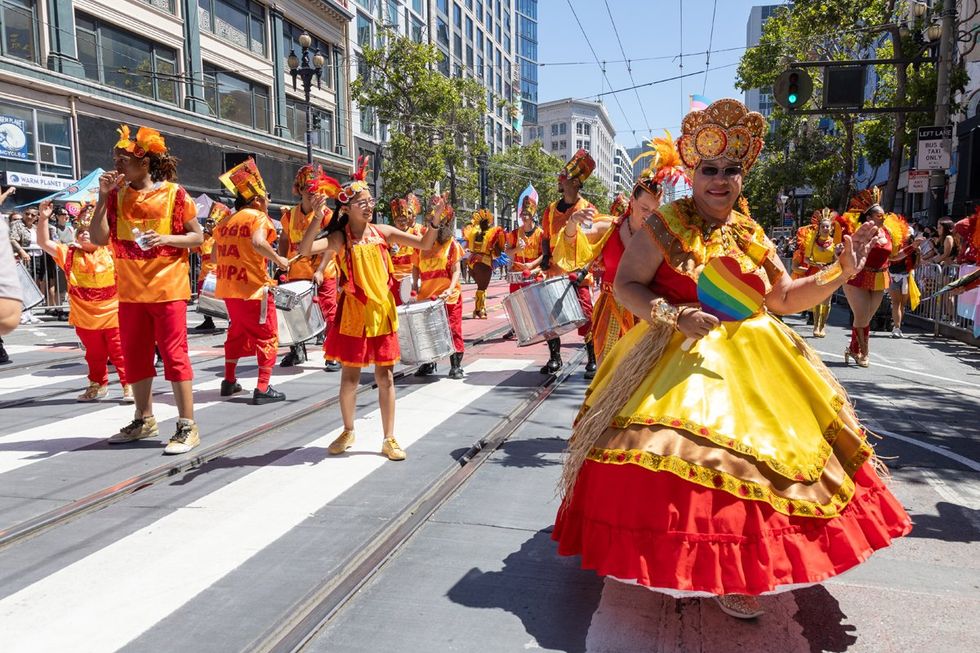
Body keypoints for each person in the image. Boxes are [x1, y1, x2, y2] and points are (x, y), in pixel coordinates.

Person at [553, 98, 910, 620]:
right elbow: (626, 283)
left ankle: (740, 572)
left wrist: (839, 270)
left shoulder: (751, 232)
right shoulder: (666, 223)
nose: (719, 180)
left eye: (730, 170)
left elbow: (784, 297)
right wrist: (672, 316)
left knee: (764, 465)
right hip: (676, 357)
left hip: (757, 364)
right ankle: (684, 562)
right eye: (709, 170)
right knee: (681, 463)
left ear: (743, 176)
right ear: (693, 174)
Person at [298, 158, 447, 461]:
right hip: (354, 316)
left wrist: (434, 219)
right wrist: (316, 217)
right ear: (347, 208)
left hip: (382, 314)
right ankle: (348, 429)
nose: (368, 206)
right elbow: (304, 250)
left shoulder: (382, 232)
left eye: (370, 201)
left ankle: (389, 438)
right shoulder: (340, 238)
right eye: (361, 202)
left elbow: (425, 244)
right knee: (350, 379)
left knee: (386, 378)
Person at [89, 124, 204, 454]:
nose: (118, 164)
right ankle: (144, 419)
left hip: (168, 289)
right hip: (130, 293)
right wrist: (101, 199)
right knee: (136, 356)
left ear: (144, 161)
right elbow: (98, 239)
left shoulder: (174, 194)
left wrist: (167, 238)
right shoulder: (117, 196)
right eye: (117, 158)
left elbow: (197, 237)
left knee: (174, 355)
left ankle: (187, 426)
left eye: (123, 158)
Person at [556, 133, 685, 368]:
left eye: (654, 210)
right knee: (609, 376)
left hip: (646, 311)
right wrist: (572, 223)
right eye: (644, 207)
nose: (648, 215)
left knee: (642, 380)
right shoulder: (609, 228)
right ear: (632, 201)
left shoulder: (661, 236)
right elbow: (572, 249)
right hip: (611, 311)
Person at [36, 200, 132, 401]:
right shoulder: (69, 254)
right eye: (81, 231)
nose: (85, 233)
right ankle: (97, 385)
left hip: (113, 313)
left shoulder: (111, 251)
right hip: (85, 317)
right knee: (94, 355)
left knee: (119, 353)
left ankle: (128, 386)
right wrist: (44, 218)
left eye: (90, 230)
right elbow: (44, 243)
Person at [214, 158, 289, 404]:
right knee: (267, 336)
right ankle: (263, 387)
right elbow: (258, 242)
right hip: (254, 290)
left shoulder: (225, 222)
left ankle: (229, 380)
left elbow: (214, 255)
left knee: (236, 334)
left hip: (229, 291)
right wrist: (278, 259)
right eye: (266, 196)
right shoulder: (258, 217)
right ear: (256, 199)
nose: (268, 201)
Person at [538, 148, 599, 376]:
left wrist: (584, 271)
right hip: (555, 274)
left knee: (586, 316)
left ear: (575, 183)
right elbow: (545, 237)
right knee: (551, 318)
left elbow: (594, 247)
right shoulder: (550, 210)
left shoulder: (589, 209)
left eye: (563, 178)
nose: (559, 181)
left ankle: (591, 358)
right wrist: (545, 256)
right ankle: (555, 358)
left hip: (578, 275)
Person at [840, 188, 908, 366]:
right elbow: (847, 250)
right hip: (857, 276)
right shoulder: (859, 231)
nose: (883, 218)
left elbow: (893, 256)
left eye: (884, 215)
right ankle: (864, 353)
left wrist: (912, 247)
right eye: (879, 216)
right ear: (869, 217)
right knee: (861, 316)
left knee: (866, 318)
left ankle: (853, 349)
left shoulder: (888, 232)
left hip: (879, 278)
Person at [278, 164, 337, 368]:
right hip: (297, 272)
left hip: (324, 270)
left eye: (317, 190)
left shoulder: (328, 215)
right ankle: (297, 351)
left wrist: (320, 270)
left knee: (329, 311)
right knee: (294, 313)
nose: (314, 194)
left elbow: (333, 245)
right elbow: (284, 239)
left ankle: (332, 353)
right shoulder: (289, 215)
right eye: (309, 190)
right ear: (300, 190)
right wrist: (281, 261)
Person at [412, 202, 465, 379]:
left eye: (443, 224)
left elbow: (456, 271)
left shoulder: (452, 245)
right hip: (426, 296)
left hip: (448, 297)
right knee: (427, 331)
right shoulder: (421, 244)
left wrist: (450, 289)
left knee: (452, 329)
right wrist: (414, 286)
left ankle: (456, 365)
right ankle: (428, 363)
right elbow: (415, 267)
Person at [799, 209, 842, 337]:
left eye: (827, 226)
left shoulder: (835, 243)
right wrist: (816, 264)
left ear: (831, 228)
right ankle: (816, 326)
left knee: (826, 301)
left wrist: (836, 255)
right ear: (819, 228)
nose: (825, 228)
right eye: (822, 226)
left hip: (829, 272)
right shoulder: (812, 241)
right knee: (817, 299)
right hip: (815, 272)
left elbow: (838, 260)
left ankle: (822, 326)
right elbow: (806, 259)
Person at [462, 208, 505, 319]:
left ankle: (478, 309)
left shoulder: (472, 233)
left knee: (480, 288)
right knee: (482, 288)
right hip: (483, 264)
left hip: (471, 264)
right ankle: (480, 309)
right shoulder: (492, 234)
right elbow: (498, 252)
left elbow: (467, 247)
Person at [504, 187, 544, 294]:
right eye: (523, 214)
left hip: (535, 274)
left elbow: (545, 254)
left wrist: (532, 265)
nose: (524, 217)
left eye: (527, 214)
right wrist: (516, 249)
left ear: (532, 215)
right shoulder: (514, 233)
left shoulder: (541, 234)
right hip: (518, 276)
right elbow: (507, 251)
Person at [389, 193, 424, 305]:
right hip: (394, 277)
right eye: (398, 220)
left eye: (404, 220)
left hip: (412, 277)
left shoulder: (415, 233)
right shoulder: (390, 234)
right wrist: (389, 253)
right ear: (394, 221)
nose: (402, 223)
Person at [192, 208, 222, 332]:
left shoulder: (220, 236)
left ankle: (230, 320)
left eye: (211, 221)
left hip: (217, 272)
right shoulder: (203, 237)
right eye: (207, 221)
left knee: (221, 298)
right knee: (203, 298)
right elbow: (195, 250)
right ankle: (208, 321)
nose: (208, 224)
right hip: (204, 273)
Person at [887, 232, 921, 338]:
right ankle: (896, 327)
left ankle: (897, 326)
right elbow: (891, 259)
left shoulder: (913, 251)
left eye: (907, 240)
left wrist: (918, 253)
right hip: (894, 277)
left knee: (901, 304)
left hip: (906, 277)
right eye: (903, 240)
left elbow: (915, 265)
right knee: (896, 303)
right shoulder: (896, 250)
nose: (904, 242)